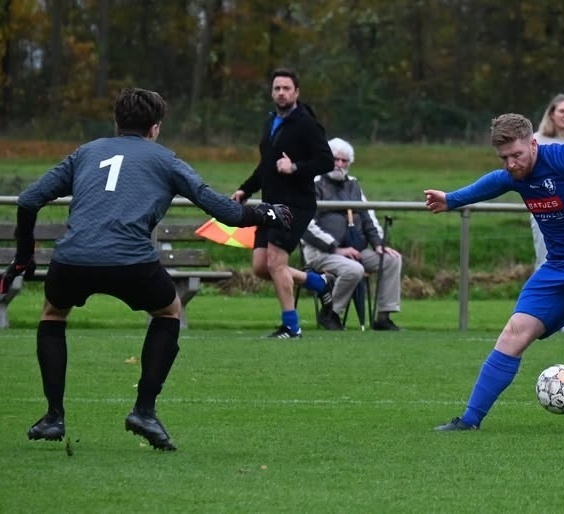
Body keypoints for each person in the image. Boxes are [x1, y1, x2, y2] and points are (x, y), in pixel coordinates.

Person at [2, 88, 292, 451]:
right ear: (155, 128)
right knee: (169, 310)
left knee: (53, 314)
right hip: (131, 261)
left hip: (73, 259)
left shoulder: (87, 152)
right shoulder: (165, 160)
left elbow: (28, 200)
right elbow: (228, 212)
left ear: (116, 122)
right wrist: (267, 213)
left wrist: (24, 257)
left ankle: (53, 416)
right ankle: (144, 410)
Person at [425, 113, 564, 431]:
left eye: (517, 155)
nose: (511, 164)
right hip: (559, 267)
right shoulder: (513, 176)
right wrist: (451, 200)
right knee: (514, 333)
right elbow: (492, 184)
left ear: (533, 144)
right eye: (504, 157)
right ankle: (469, 421)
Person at [231, 68, 336, 339]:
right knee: (260, 267)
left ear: (296, 93)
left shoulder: (306, 123)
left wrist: (295, 167)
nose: (281, 93)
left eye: (286, 88)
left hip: (295, 205)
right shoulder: (271, 123)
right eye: (277, 88)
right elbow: (266, 165)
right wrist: (245, 188)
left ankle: (291, 326)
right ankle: (319, 283)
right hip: (270, 205)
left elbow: (326, 161)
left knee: (276, 263)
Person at [301, 138, 403, 331]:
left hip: (355, 250)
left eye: (344, 161)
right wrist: (335, 248)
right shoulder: (313, 184)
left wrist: (378, 243)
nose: (339, 165)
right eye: (335, 159)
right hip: (321, 253)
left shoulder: (354, 186)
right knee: (354, 269)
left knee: (391, 260)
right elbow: (305, 225)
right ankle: (331, 313)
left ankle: (383, 317)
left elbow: (368, 216)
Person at [531, 93, 564, 333]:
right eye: (561, 111)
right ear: (551, 113)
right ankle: (537, 316)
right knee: (546, 261)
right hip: (545, 212)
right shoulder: (536, 140)